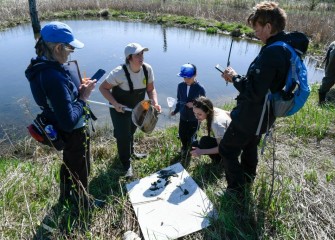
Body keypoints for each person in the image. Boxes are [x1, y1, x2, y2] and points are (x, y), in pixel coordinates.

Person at [219, 2, 307, 195]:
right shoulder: (284, 47)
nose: (256, 33)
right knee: (250, 145)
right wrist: (240, 78)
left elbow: (253, 92)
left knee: (227, 149)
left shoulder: (272, 52)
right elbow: (263, 83)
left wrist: (234, 77)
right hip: (265, 114)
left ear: (268, 26)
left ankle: (236, 190)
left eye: (257, 28)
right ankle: (248, 179)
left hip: (252, 113)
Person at [25, 21, 97, 208]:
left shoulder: (40, 66)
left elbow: (56, 98)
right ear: (58, 48)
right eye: (69, 48)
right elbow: (69, 121)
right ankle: (83, 204)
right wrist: (83, 96)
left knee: (68, 162)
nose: (71, 53)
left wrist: (74, 87)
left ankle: (65, 195)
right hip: (72, 132)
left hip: (55, 124)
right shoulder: (53, 78)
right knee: (81, 167)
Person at [99, 43, 161, 178]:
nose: (141, 57)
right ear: (129, 58)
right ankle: (126, 164)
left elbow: (151, 89)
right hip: (119, 109)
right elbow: (103, 88)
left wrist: (155, 102)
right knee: (123, 136)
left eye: (142, 54)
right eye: (137, 54)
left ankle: (131, 152)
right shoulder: (119, 73)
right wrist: (115, 103)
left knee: (132, 130)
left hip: (139, 107)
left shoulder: (147, 69)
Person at [170, 63, 206, 159]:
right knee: (182, 134)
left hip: (194, 118)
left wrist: (193, 105)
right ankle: (184, 147)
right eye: (184, 77)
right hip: (183, 116)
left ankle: (191, 150)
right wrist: (175, 111)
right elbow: (179, 100)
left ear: (195, 75)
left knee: (191, 136)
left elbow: (204, 105)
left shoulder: (200, 88)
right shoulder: (180, 86)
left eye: (188, 78)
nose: (186, 80)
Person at [190, 96, 231, 162]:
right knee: (202, 141)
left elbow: (222, 148)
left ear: (207, 112)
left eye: (199, 114)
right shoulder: (214, 110)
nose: (196, 116)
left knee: (204, 142)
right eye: (194, 113)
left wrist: (201, 151)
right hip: (233, 140)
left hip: (232, 149)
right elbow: (230, 114)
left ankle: (220, 161)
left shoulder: (216, 124)